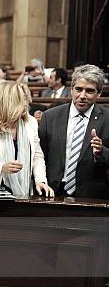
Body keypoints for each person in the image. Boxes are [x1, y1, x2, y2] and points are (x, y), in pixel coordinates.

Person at [39, 64, 109, 198]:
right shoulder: (50, 116)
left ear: (99, 93)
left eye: (89, 91)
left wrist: (102, 152)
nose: (82, 96)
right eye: (78, 89)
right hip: (53, 192)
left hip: (91, 196)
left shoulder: (107, 118)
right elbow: (40, 156)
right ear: (71, 89)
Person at [0, 81, 54, 196]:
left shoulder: (31, 122)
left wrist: (40, 180)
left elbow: (37, 155)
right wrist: (1, 167)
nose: (26, 103)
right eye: (21, 99)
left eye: (25, 98)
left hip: (25, 191)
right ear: (8, 102)